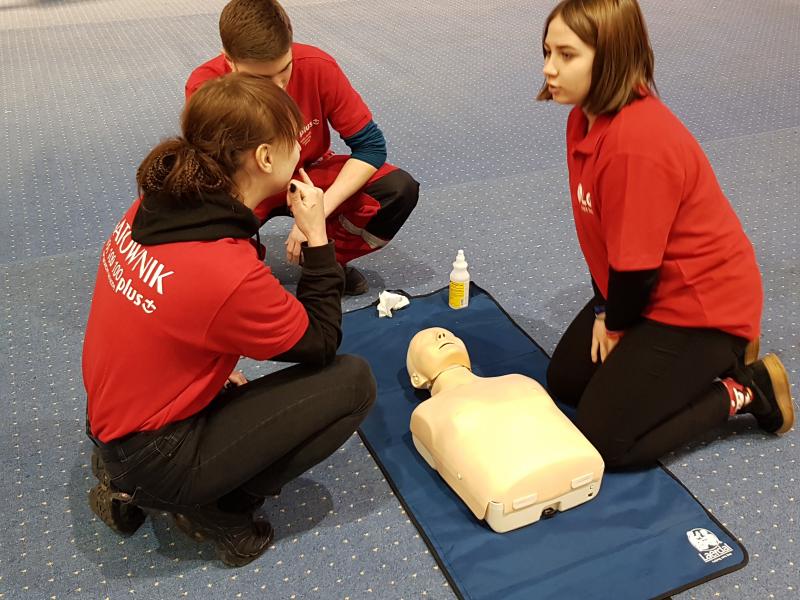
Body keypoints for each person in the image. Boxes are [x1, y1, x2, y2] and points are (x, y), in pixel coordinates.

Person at [82, 73, 376, 567]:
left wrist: (211, 373)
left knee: (231, 383)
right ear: (265, 158)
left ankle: (129, 481)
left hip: (112, 415)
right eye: (293, 142)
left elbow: (170, 317)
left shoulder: (152, 208)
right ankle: (217, 508)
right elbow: (321, 340)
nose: (299, 152)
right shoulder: (225, 270)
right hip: (155, 451)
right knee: (353, 383)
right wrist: (318, 238)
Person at [537, 0, 794, 468]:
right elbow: (603, 238)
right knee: (567, 381)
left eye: (567, 55)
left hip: (701, 307)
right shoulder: (583, 117)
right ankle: (694, 366)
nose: (549, 69)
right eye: (547, 51)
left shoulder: (637, 144)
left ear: (611, 56)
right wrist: (602, 309)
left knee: (603, 441)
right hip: (648, 289)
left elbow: (635, 268)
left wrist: (615, 324)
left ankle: (743, 388)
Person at [186, 0, 420, 296]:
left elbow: (370, 148)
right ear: (229, 61)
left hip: (306, 174)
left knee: (398, 189)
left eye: (285, 69)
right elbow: (212, 178)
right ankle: (245, 266)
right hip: (245, 187)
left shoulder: (317, 66)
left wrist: (319, 217)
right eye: (260, 79)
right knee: (208, 250)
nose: (278, 87)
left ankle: (327, 261)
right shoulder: (205, 88)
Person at [406, 327, 603, 533]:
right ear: (417, 378)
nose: (442, 336)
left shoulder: (520, 381)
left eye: (450, 334)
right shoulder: (427, 413)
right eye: (427, 342)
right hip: (517, 491)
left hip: (563, 476)